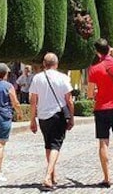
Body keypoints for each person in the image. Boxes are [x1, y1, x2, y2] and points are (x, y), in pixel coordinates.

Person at [29, 53, 74, 192]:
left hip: (43, 116)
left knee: (48, 145)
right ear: (57, 64)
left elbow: (33, 100)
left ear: (44, 63)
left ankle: (53, 175)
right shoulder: (63, 77)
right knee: (55, 146)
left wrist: (32, 119)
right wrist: (72, 117)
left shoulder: (37, 78)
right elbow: (69, 100)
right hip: (57, 115)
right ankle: (48, 176)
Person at [87, 38, 113, 188]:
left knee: (103, 142)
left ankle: (106, 178)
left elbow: (90, 94)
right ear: (108, 48)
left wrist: (98, 92)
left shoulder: (94, 69)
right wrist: (112, 52)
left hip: (101, 108)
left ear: (97, 52)